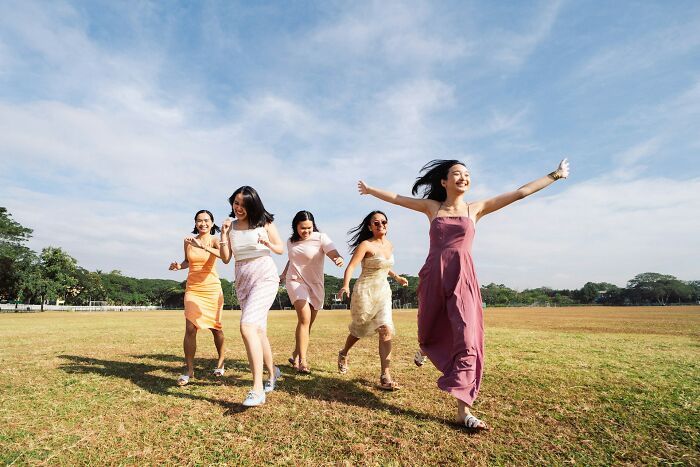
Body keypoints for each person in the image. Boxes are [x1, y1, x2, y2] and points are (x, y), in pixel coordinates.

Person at [357, 158, 570, 430]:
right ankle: (425, 347)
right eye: (457, 174)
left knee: (468, 338)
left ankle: (463, 410)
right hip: (434, 274)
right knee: (428, 330)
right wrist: (371, 189)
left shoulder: (475, 209)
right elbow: (398, 199)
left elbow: (520, 192)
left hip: (463, 276)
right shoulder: (432, 208)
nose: (463, 178)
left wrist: (554, 175)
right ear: (444, 182)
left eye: (467, 174)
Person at [219, 186, 283, 407]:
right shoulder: (231, 225)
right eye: (236, 203)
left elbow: (280, 248)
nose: (239, 208)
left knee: (247, 326)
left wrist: (267, 243)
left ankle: (257, 389)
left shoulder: (264, 222)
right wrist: (224, 234)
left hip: (264, 275)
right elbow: (226, 258)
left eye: (244, 204)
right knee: (258, 329)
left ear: (253, 205)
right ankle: (273, 373)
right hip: (242, 278)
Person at [337, 211, 408, 390]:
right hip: (365, 291)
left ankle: (385, 375)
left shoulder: (390, 245)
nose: (380, 225)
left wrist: (397, 277)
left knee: (385, 328)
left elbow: (385, 265)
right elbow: (352, 266)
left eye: (383, 222)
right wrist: (345, 285)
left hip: (383, 292)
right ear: (370, 227)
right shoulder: (366, 245)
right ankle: (344, 353)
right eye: (376, 223)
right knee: (359, 329)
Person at [280, 211, 344, 373]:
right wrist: (283, 273)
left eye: (309, 228)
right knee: (304, 318)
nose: (306, 231)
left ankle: (295, 354)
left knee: (307, 324)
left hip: (315, 283)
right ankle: (303, 361)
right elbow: (293, 258)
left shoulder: (321, 237)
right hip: (295, 281)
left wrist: (337, 258)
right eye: (302, 228)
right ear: (296, 227)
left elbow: (332, 251)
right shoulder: (290, 241)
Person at [169, 210, 226, 386]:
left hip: (212, 288)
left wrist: (204, 246)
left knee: (215, 328)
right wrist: (179, 266)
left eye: (206, 220)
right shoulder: (188, 241)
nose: (203, 224)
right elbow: (188, 261)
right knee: (190, 327)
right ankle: (189, 369)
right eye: (199, 221)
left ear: (212, 222)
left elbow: (225, 257)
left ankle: (221, 362)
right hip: (193, 288)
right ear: (195, 223)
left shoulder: (216, 240)